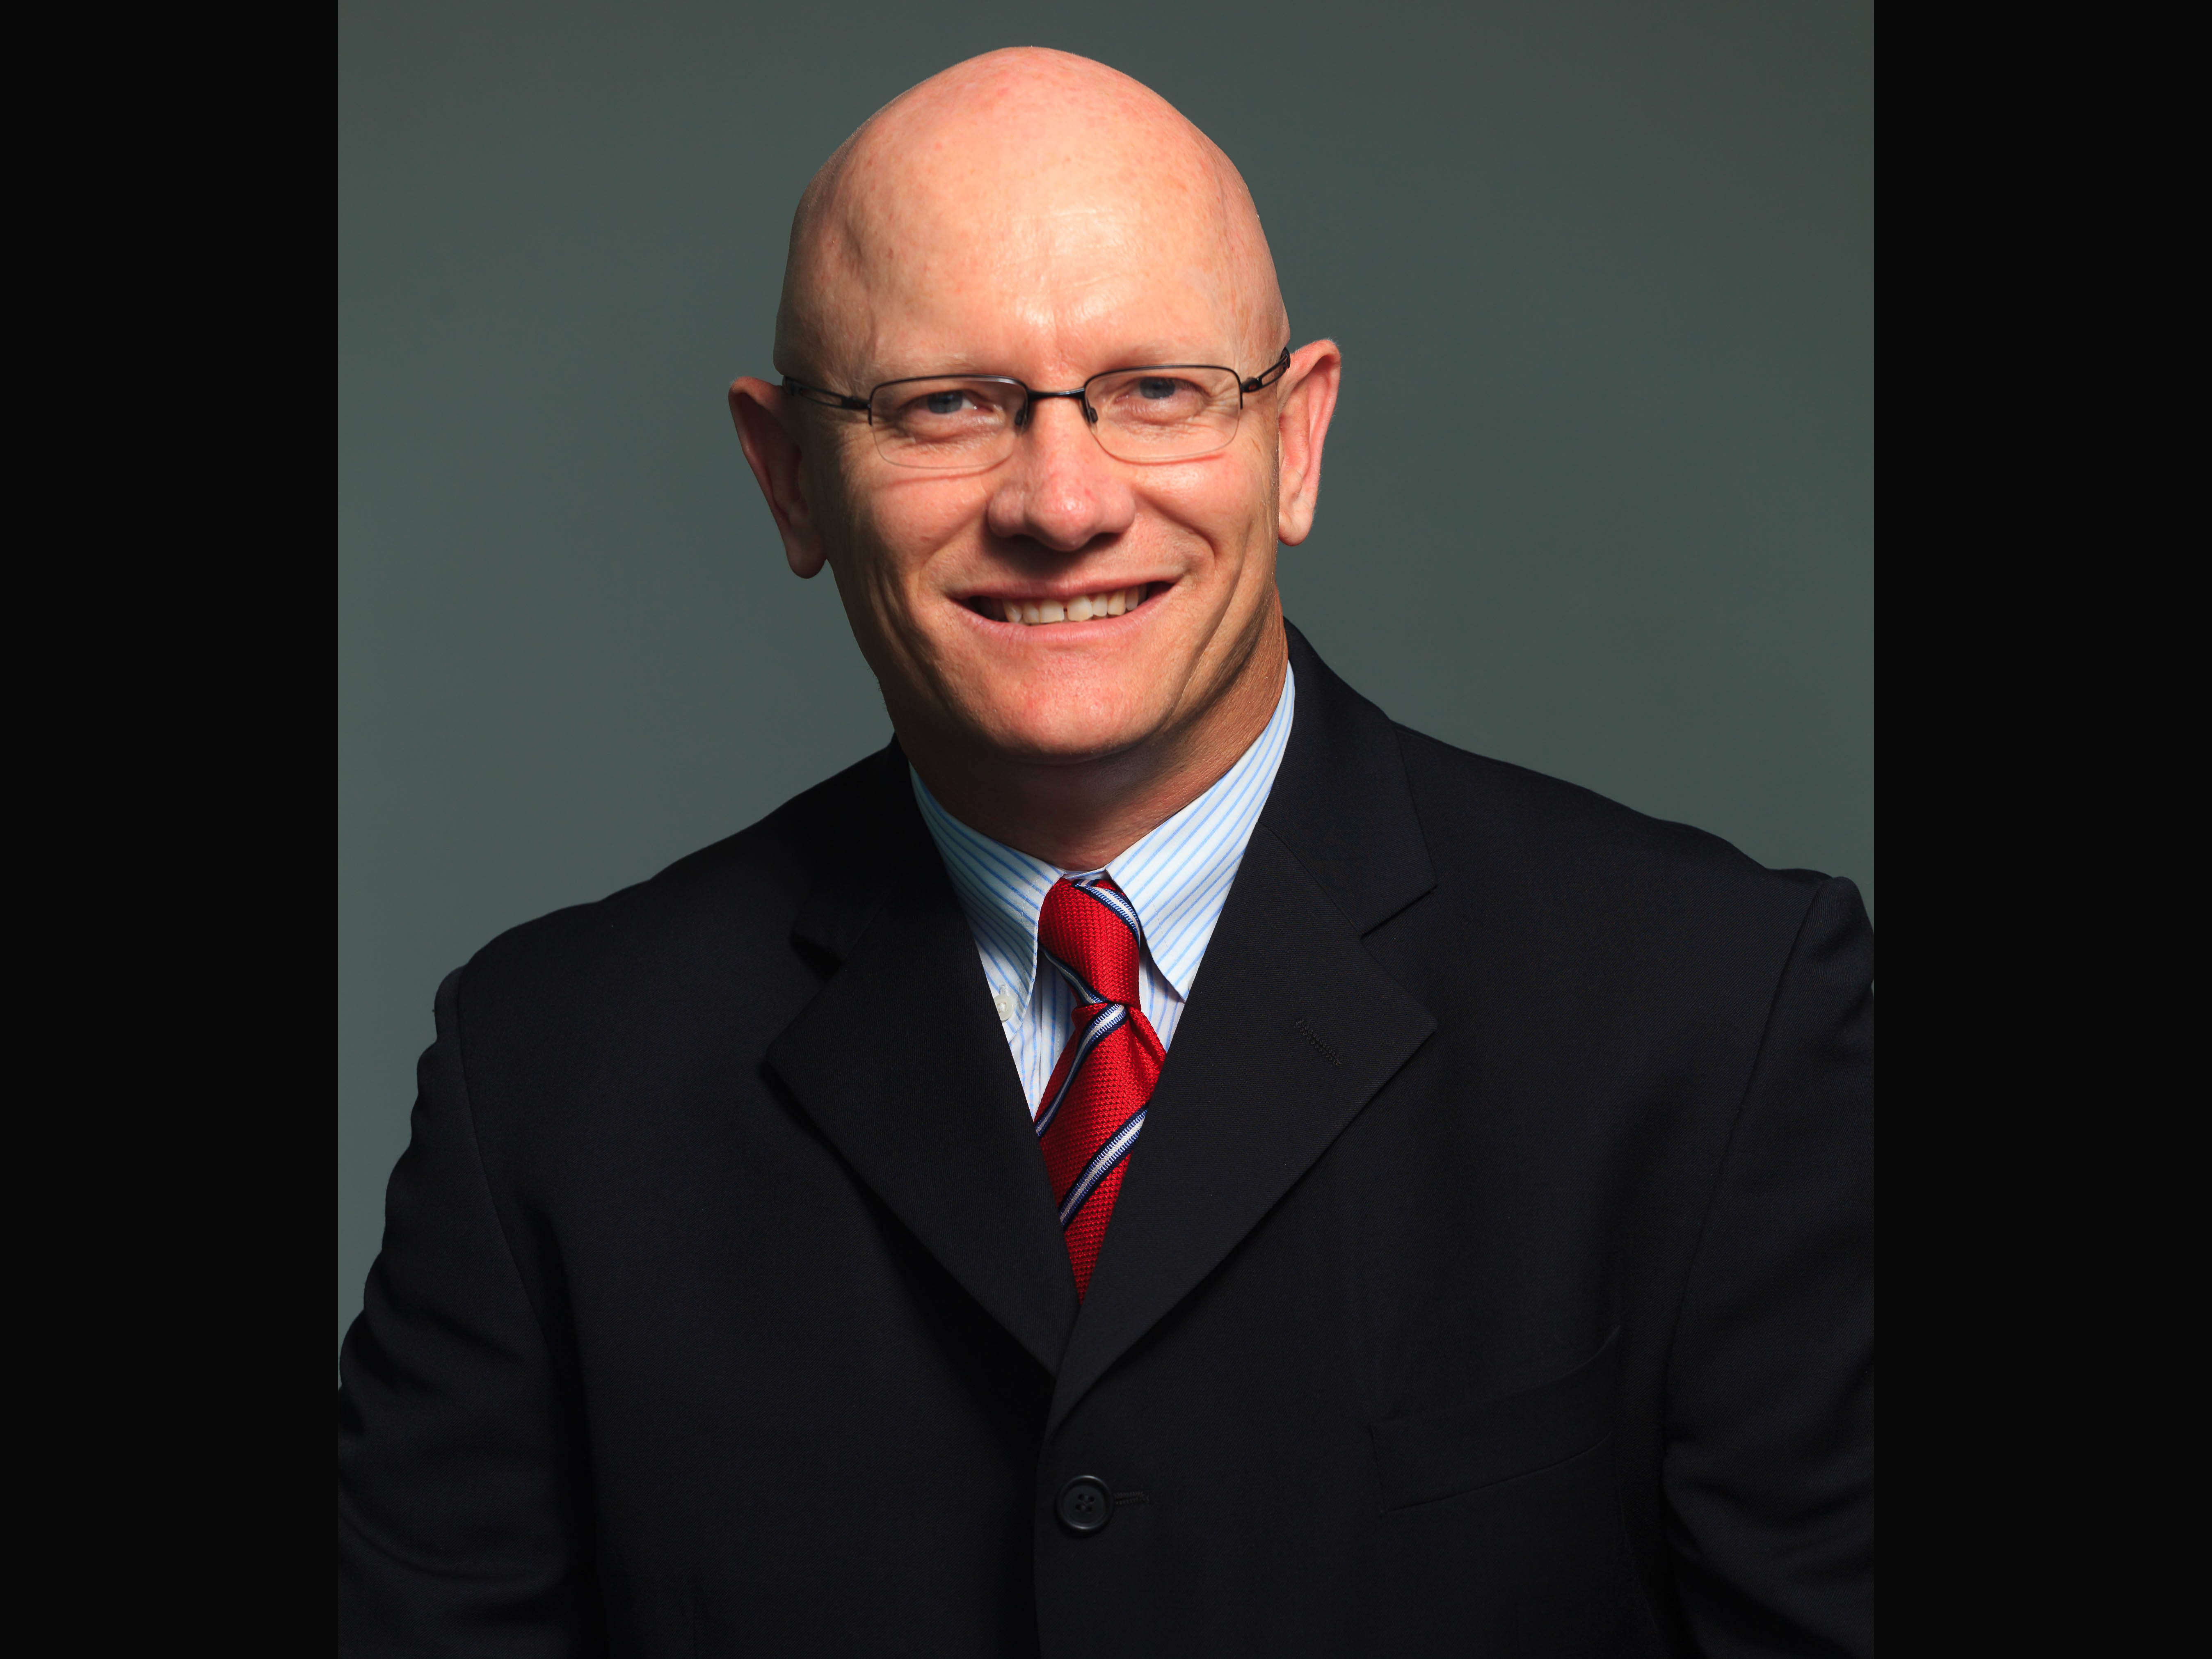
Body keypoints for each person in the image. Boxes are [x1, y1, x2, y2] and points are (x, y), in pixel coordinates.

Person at [338, 46, 1872, 1659]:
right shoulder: (550, 1082)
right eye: (946, 404)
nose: (1063, 503)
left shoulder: (1723, 1014)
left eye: (1156, 390)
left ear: (1295, 440)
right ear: (789, 479)